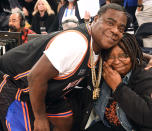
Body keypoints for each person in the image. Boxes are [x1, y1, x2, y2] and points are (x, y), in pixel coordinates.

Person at [0, 3, 128, 131]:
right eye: (110, 23)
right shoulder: (75, 43)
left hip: (45, 91)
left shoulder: (100, 46)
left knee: (65, 121)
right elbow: (35, 77)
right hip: (15, 83)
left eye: (121, 29)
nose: (115, 31)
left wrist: (147, 58)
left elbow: (129, 49)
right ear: (95, 19)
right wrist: (40, 117)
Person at [86, 33, 152, 131]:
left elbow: (150, 117)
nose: (117, 61)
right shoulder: (102, 72)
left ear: (133, 54)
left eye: (124, 55)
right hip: (115, 126)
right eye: (110, 57)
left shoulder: (148, 75)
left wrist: (118, 87)